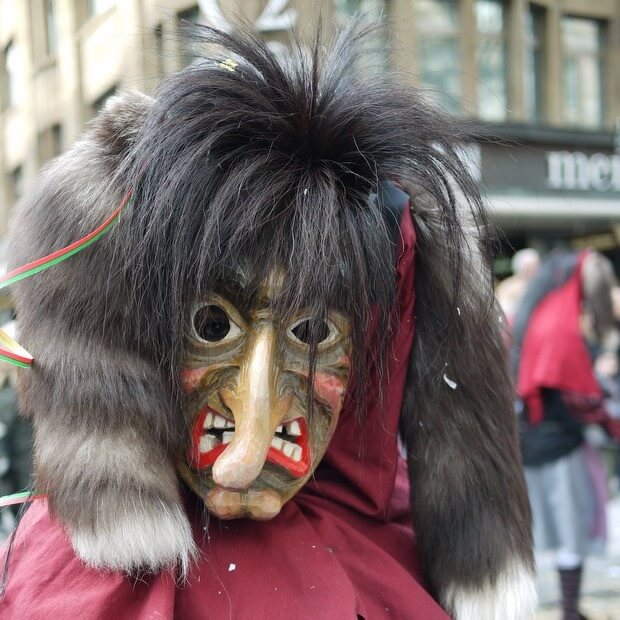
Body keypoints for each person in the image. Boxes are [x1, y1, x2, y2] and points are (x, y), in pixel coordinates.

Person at [0, 24, 535, 619]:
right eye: (211, 326)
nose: (246, 455)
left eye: (311, 334)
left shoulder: (398, 544)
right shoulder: (78, 584)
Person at [514, 250, 620, 620]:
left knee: (552, 536)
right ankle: (570, 612)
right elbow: (580, 398)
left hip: (537, 441)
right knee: (568, 535)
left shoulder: (540, 314)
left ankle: (569, 609)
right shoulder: (557, 327)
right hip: (558, 446)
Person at [496, 248, 540, 322]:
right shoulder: (508, 286)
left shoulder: (541, 285)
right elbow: (501, 314)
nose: (534, 269)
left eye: (536, 265)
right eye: (529, 267)